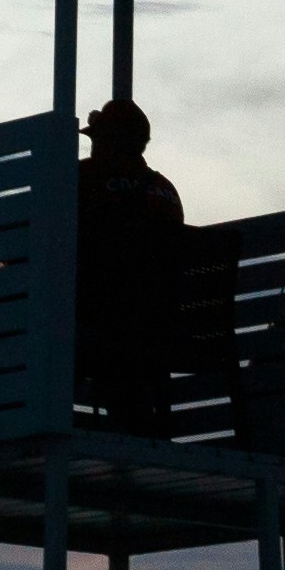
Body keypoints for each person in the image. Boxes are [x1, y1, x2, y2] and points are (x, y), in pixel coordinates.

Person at [76, 98, 188, 436]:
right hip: (166, 330)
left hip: (104, 326)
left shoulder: (84, 180)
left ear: (110, 141)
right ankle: (137, 432)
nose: (92, 146)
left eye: (97, 139)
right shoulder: (165, 191)